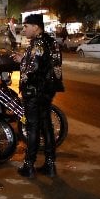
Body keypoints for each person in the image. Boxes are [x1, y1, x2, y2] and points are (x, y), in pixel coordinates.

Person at [12, 14, 64, 178]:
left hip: (35, 91)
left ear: (36, 27)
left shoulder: (38, 44)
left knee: (32, 127)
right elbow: (45, 63)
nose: (24, 30)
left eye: (26, 27)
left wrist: (23, 63)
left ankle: (29, 165)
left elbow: (33, 68)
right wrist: (25, 58)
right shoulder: (51, 42)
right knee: (46, 125)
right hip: (48, 91)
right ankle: (50, 165)